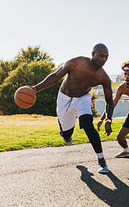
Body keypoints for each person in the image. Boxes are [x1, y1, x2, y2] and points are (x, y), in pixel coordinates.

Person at [30, 43, 114, 173]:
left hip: (83, 98)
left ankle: (102, 161)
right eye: (101, 56)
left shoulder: (103, 77)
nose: (104, 60)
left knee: (87, 124)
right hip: (64, 97)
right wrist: (35, 89)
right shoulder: (76, 63)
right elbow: (55, 76)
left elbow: (109, 101)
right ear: (92, 54)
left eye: (106, 57)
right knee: (67, 135)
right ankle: (64, 132)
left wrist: (109, 118)